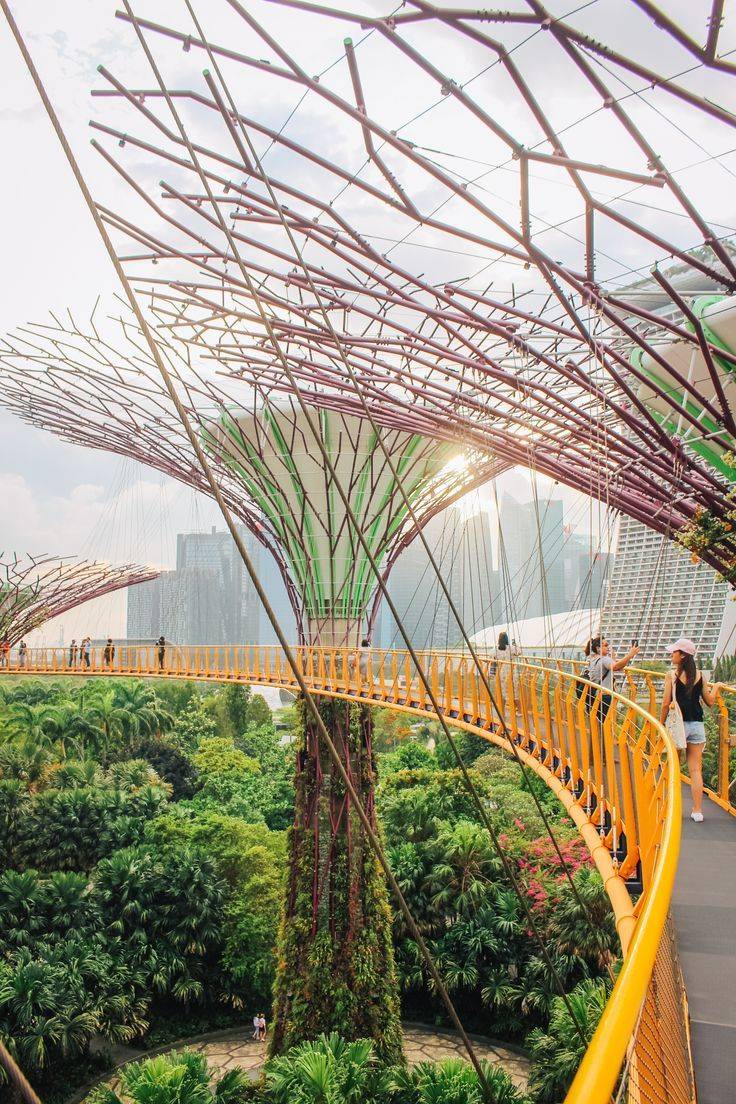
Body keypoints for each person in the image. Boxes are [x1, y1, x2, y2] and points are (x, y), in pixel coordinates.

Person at [660, 637, 722, 823]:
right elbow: (710, 702)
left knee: (673, 769)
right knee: (695, 770)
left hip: (678, 727)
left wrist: (660, 726)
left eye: (674, 652)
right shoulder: (700, 675)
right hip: (697, 725)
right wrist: (717, 687)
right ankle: (697, 811)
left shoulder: (671, 675)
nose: (671, 655)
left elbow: (665, 704)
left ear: (683, 655)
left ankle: (671, 809)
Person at [583, 636, 640, 718]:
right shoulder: (604, 659)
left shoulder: (593, 659)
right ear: (598, 648)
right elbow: (615, 667)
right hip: (605, 696)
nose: (608, 647)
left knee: (598, 720)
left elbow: (615, 668)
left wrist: (613, 659)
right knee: (606, 721)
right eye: (605, 645)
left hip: (595, 695)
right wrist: (630, 655)